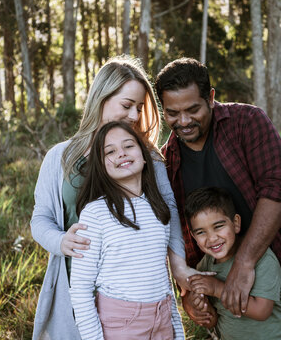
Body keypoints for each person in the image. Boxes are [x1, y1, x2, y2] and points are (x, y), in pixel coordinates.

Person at [155, 57, 281, 340]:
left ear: (210, 97)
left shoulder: (246, 122)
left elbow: (276, 187)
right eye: (173, 113)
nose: (183, 121)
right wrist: (188, 292)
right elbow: (175, 233)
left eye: (193, 109)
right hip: (220, 279)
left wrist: (244, 264)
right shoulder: (167, 161)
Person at [30, 56, 192, 340]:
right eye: (127, 105)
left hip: (135, 293)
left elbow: (169, 211)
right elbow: (40, 217)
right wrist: (60, 241)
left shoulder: (146, 158)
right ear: (102, 99)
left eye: (140, 107)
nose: (134, 115)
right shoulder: (60, 157)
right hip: (76, 284)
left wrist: (178, 265)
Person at [70, 121, 184, 339]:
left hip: (162, 318)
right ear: (101, 166)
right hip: (122, 324)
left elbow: (163, 279)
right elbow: (81, 288)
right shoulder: (95, 213)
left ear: (143, 154)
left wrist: (177, 332)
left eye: (128, 146)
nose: (121, 153)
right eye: (110, 151)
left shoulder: (158, 207)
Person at [185, 187, 281, 340]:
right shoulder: (204, 268)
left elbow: (262, 311)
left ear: (235, 223)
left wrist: (216, 288)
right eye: (201, 232)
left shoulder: (261, 258)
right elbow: (212, 321)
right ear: (193, 236)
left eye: (218, 226)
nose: (212, 238)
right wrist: (202, 307)